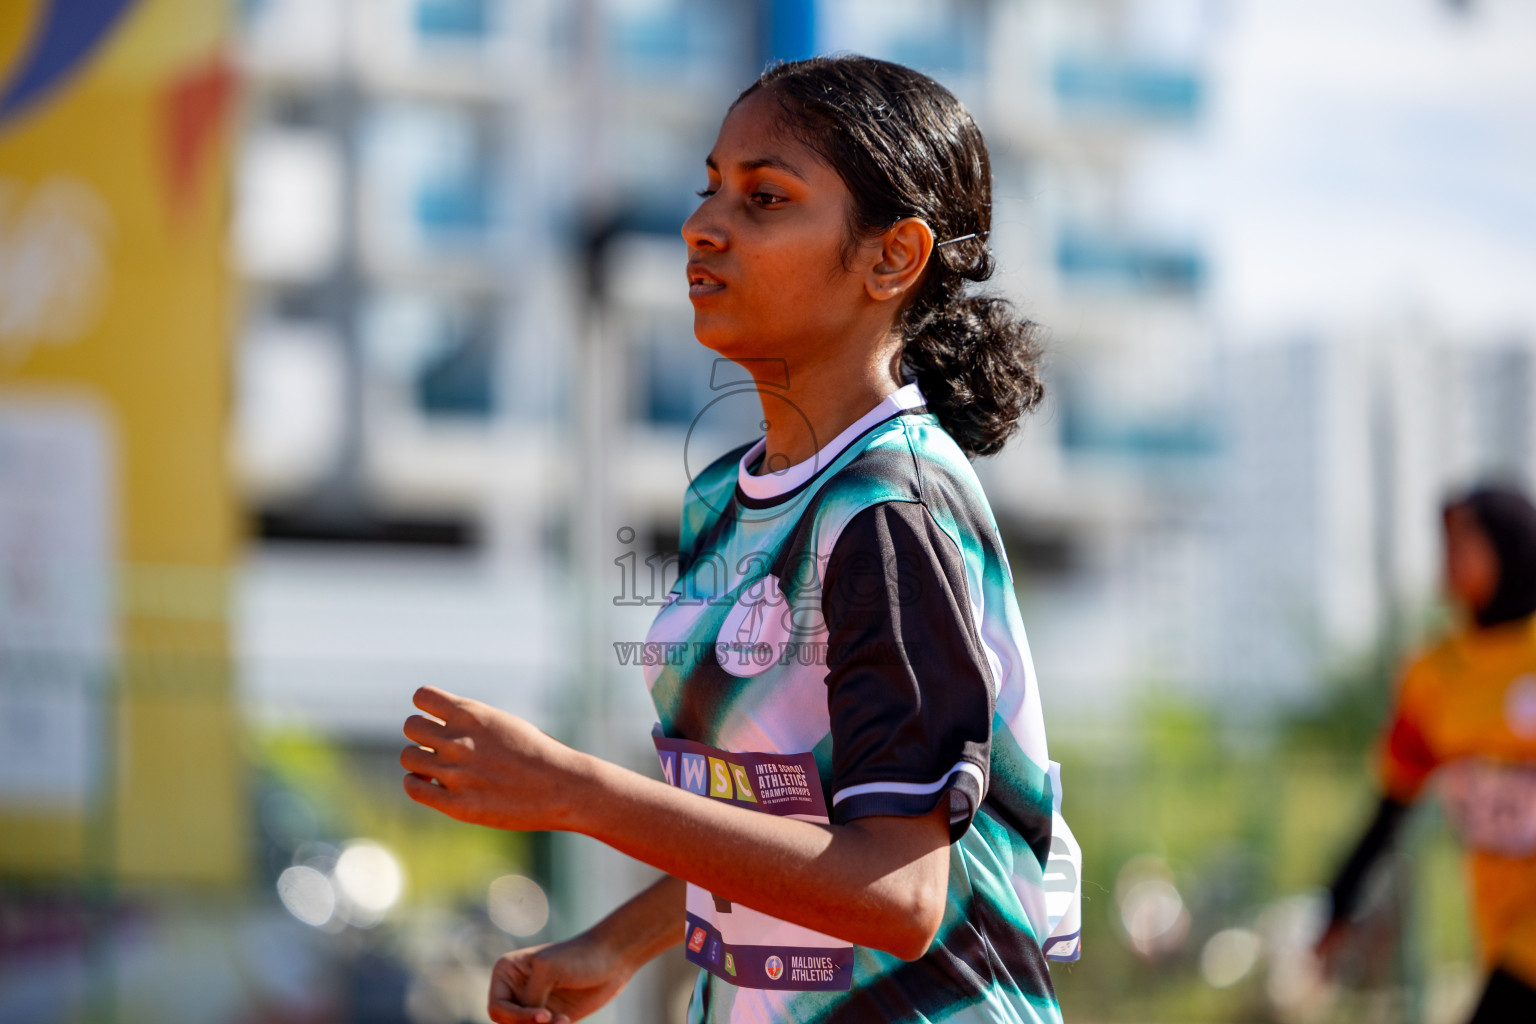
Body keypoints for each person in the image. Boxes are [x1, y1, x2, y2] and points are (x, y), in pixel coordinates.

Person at [401, 55, 1080, 1024]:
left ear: (893, 256)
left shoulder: (890, 509)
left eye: (765, 197)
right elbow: (793, 817)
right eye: (708, 188)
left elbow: (898, 892)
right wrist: (619, 941)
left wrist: (574, 790)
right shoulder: (731, 496)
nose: (702, 226)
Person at [1317, 485, 1536, 1022]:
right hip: (1500, 926)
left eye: (1464, 543)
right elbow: (1393, 804)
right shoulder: (1432, 676)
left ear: (1509, 548)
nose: (1448, 559)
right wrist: (1338, 904)